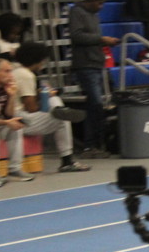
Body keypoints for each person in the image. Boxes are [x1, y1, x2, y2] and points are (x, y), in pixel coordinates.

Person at [12, 42, 91, 173]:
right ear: (36, 59)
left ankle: (59, 110)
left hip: (19, 115)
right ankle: (67, 161)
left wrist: (43, 95)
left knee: (55, 101)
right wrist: (44, 96)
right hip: (21, 120)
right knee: (62, 119)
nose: (43, 63)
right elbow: (31, 108)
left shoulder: (17, 71)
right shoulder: (26, 75)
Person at [69, 0, 119, 157]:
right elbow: (76, 36)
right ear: (90, 1)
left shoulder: (94, 15)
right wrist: (101, 39)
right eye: (99, 3)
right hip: (85, 64)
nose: (101, 6)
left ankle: (98, 143)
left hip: (97, 64)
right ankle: (90, 145)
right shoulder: (77, 12)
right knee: (95, 103)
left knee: (97, 105)